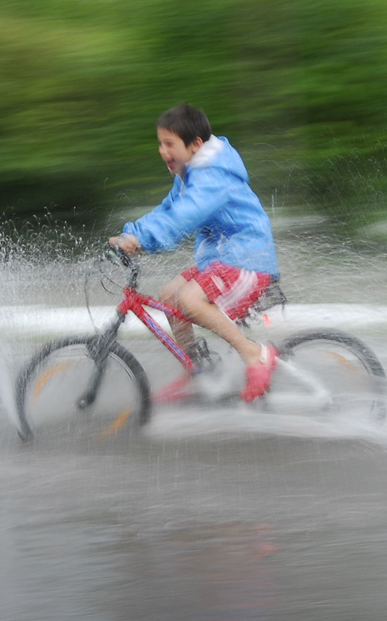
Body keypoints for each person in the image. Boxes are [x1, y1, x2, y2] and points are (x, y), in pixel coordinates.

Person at [109, 103, 281, 403]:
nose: (163, 151)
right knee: (170, 295)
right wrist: (132, 234)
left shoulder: (213, 178)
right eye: (160, 143)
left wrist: (143, 242)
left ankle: (255, 354)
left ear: (196, 144)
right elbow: (168, 210)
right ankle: (197, 371)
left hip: (248, 262)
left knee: (190, 299)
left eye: (169, 144)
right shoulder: (190, 174)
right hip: (222, 261)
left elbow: (183, 217)